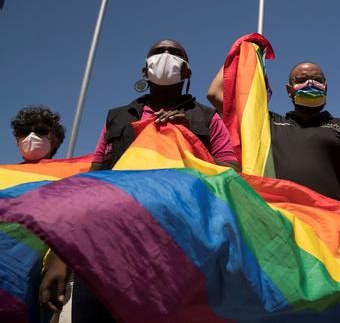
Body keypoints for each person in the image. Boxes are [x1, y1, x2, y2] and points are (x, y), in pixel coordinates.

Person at [40, 39, 240, 320]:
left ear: (187, 73)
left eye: (175, 53)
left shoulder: (207, 119)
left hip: (182, 253)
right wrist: (62, 256)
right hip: (108, 250)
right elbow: (91, 186)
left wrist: (191, 141)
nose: (166, 56)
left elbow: (231, 175)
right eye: (158, 52)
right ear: (145, 70)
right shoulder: (117, 118)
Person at [208, 60, 340, 201]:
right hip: (281, 217)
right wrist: (240, 50)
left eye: (317, 79)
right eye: (301, 80)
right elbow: (215, 93)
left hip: (330, 218)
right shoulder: (268, 123)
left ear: (326, 87)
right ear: (289, 90)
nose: (311, 83)